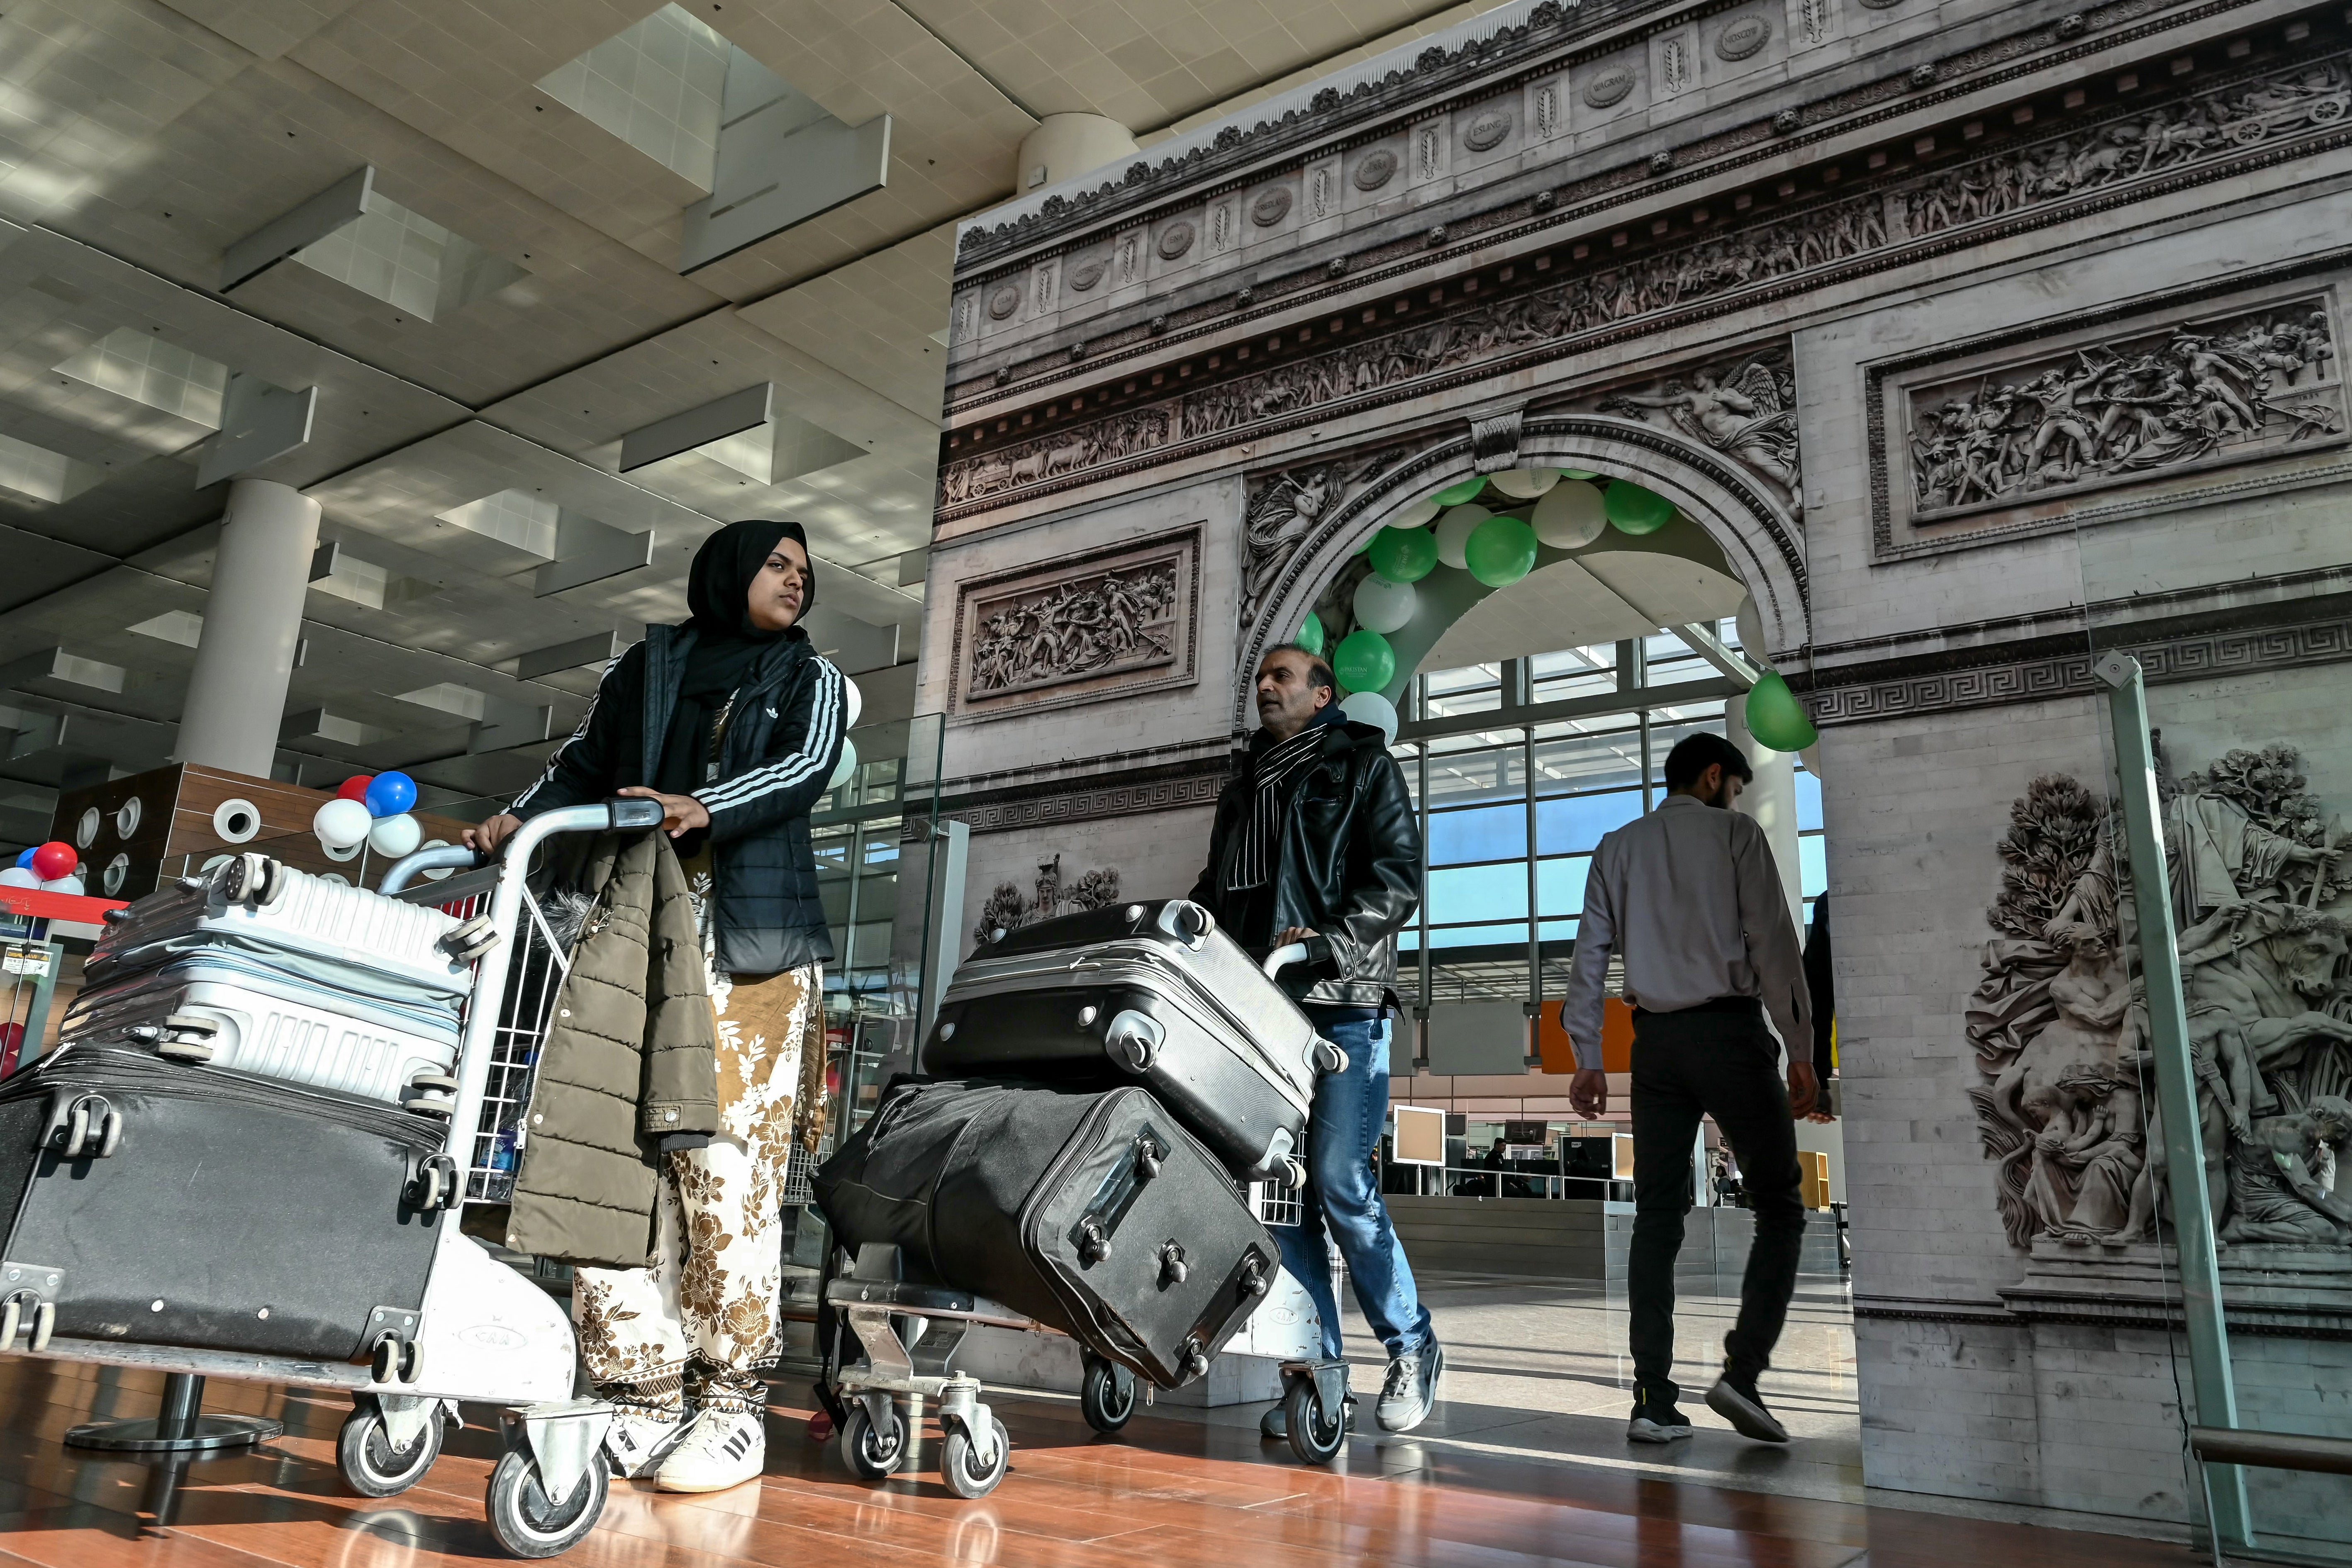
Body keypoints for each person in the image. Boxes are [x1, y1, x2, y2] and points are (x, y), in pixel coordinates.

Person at [467, 519, 846, 1493]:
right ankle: (639, 1388)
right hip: (634, 926)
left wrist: (705, 804)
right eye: (777, 565)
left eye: (806, 572)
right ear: (727, 573)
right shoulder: (653, 663)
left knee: (722, 1168)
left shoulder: (816, 679)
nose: (796, 583)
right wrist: (521, 816)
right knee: (616, 1156)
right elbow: (587, 765)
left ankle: (731, 1399)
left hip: (751, 953)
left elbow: (803, 769)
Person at [1188, 643, 1441, 1437]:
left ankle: (1412, 1344)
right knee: (1277, 1194)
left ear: (1324, 693)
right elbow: (1217, 888)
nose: (1266, 685)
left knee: (1338, 1182)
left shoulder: (1362, 766)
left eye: (1283, 676)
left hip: (1339, 1001)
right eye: (1259, 675)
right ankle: (1316, 1368)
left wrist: (1330, 938)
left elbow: (1397, 876)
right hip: (1258, 1013)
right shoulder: (1242, 788)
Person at [1559, 731, 1815, 1446]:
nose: (1737, 798)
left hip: (1655, 1048)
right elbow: (1772, 945)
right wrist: (1801, 1050)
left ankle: (1651, 1400)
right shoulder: (1735, 835)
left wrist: (1587, 1055)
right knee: (1779, 1208)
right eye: (1736, 786)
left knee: (1657, 1218)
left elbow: (1589, 954)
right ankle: (1742, 1373)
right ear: (1713, 777)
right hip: (1730, 1038)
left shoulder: (1617, 845)